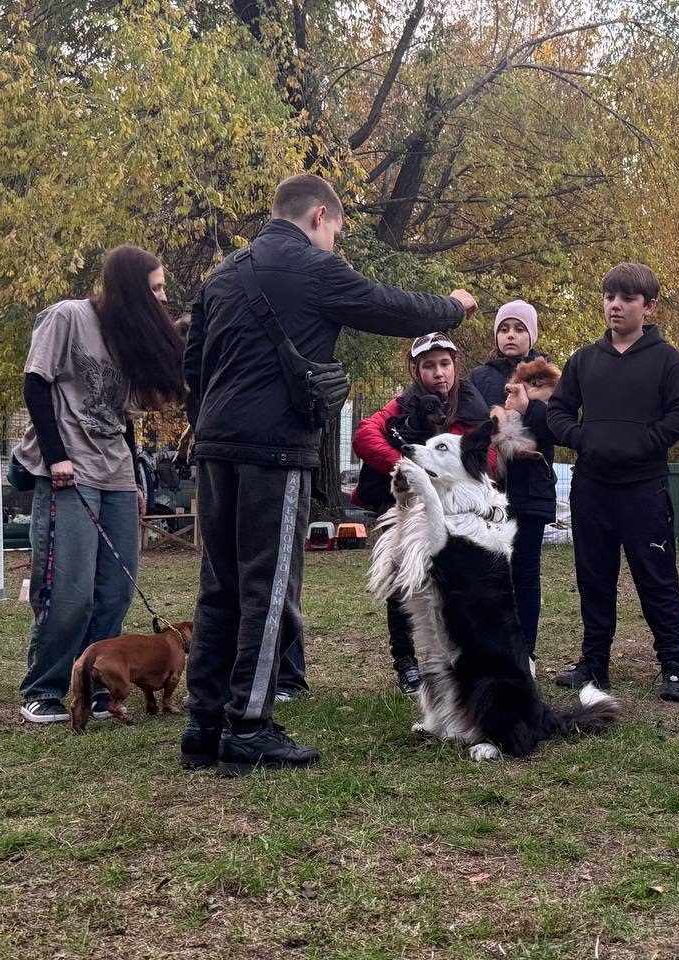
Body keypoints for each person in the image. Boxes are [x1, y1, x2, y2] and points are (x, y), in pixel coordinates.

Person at [182, 173, 477, 777]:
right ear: (319, 216)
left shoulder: (224, 273)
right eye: (337, 230)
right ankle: (249, 726)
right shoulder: (314, 269)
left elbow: (194, 362)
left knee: (220, 584)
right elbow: (390, 308)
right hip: (275, 449)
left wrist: (213, 423)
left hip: (215, 446)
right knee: (268, 586)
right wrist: (455, 308)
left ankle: (203, 723)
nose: (335, 242)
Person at [14, 245, 185, 724]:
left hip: (115, 473)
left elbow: (124, 418)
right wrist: (56, 458)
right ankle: (44, 690)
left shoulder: (127, 335)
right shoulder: (67, 317)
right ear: (132, 288)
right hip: (69, 472)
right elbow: (35, 384)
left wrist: (134, 477)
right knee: (69, 589)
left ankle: (95, 689)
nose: (164, 296)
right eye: (156, 287)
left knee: (115, 589)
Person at [547, 262, 679, 702]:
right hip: (591, 487)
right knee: (594, 577)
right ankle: (594, 663)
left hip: (643, 489)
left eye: (627, 298)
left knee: (656, 577)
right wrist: (582, 437)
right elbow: (558, 412)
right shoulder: (584, 360)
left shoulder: (666, 360)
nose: (616, 305)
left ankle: (673, 666)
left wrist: (644, 442)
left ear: (648, 307)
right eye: (610, 296)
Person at [352, 332, 498, 693]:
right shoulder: (401, 405)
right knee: (404, 581)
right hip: (407, 506)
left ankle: (456, 658)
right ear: (415, 369)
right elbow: (365, 435)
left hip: (456, 511)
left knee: (459, 584)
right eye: (429, 366)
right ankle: (406, 662)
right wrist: (408, 470)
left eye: (444, 364)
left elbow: (489, 459)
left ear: (455, 364)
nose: (439, 373)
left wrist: (440, 480)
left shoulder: (474, 407)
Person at [468, 300, 557, 661]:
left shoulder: (549, 377)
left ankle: (526, 653)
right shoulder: (479, 377)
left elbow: (559, 428)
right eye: (505, 328)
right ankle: (488, 650)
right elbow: (471, 425)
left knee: (525, 573)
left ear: (531, 335)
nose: (511, 335)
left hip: (530, 490)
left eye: (519, 329)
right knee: (487, 572)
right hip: (488, 491)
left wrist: (527, 410)